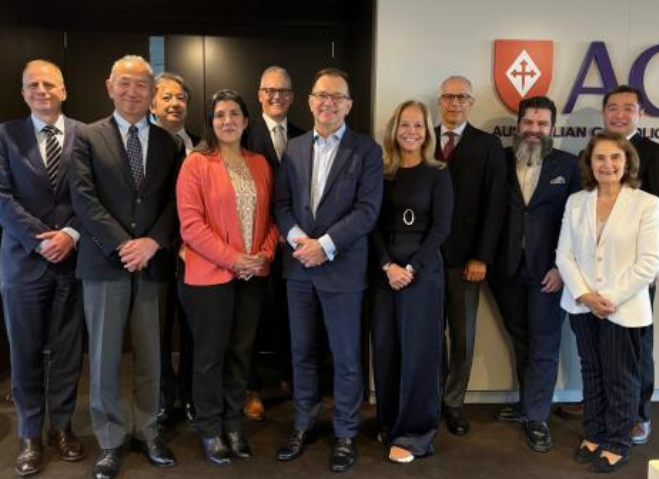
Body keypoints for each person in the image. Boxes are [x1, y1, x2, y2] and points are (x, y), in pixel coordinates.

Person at [71, 55, 180, 479]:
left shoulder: (168, 142)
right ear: (109, 86)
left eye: (142, 85)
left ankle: (148, 430)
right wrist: (123, 245)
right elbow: (83, 198)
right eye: (125, 83)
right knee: (102, 357)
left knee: (152, 355)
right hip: (104, 264)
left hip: (151, 264)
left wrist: (153, 242)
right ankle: (111, 440)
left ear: (152, 92)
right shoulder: (85, 136)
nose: (133, 91)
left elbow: (174, 202)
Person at [274, 67, 383, 473]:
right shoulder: (294, 148)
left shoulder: (367, 151)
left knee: (346, 356)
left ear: (349, 105)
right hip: (299, 267)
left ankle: (345, 433)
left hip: (342, 270)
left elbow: (367, 211)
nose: (328, 103)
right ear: (310, 100)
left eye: (337, 97)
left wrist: (326, 245)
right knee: (301, 353)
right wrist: (302, 241)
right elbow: (281, 205)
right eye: (322, 95)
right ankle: (303, 425)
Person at [177, 89, 279, 466]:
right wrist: (236, 259)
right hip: (209, 278)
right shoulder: (196, 163)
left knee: (241, 353)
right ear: (211, 121)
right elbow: (191, 227)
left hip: (253, 276)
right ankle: (209, 428)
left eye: (234, 113)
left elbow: (271, 220)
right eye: (220, 115)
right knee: (209, 357)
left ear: (246, 120)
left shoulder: (260, 163)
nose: (227, 121)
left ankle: (233, 424)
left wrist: (264, 254)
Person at [0, 59, 85, 476]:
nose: (41, 90)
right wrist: (42, 240)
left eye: (49, 83)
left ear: (64, 90)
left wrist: (70, 234)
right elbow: (1, 198)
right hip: (22, 262)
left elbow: (96, 198)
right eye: (32, 84)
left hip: (73, 260)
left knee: (68, 353)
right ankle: (30, 433)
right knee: (26, 352)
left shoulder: (87, 136)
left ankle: (63, 428)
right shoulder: (5, 135)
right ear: (23, 93)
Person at [556, 132, 659, 473]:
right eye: (600, 158)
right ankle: (596, 432)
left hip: (623, 308)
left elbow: (648, 263)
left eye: (615, 157)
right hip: (582, 305)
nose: (608, 164)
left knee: (621, 377)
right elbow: (564, 255)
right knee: (593, 372)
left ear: (627, 161)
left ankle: (618, 440)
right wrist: (585, 295)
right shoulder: (576, 202)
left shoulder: (647, 204)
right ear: (590, 162)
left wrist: (608, 299)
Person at [489, 96, 580, 452]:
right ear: (518, 125)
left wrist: (562, 267)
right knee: (522, 339)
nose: (534, 130)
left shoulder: (570, 166)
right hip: (505, 269)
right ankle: (529, 403)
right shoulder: (498, 160)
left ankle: (538, 417)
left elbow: (576, 224)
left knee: (544, 342)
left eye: (542, 124)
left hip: (549, 272)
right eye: (529, 123)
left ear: (552, 129)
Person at [370, 100, 453, 463]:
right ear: (394, 128)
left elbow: (440, 229)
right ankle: (389, 423)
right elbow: (370, 224)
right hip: (385, 273)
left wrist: (412, 268)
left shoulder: (439, 174)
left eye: (419, 126)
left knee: (420, 354)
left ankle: (415, 433)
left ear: (428, 132)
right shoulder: (380, 173)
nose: (411, 132)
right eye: (405, 124)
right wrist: (388, 265)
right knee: (387, 350)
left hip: (423, 274)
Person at [434, 75, 506, 436]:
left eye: (461, 97)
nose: (454, 103)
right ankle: (432, 397)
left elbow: (496, 207)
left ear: (471, 102)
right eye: (448, 97)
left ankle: (454, 402)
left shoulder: (488, 145)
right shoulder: (420, 137)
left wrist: (482, 256)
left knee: (462, 337)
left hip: (467, 261)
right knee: (431, 334)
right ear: (439, 100)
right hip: (427, 259)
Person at [244, 65, 304, 420]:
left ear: (293, 97)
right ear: (259, 94)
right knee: (252, 318)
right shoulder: (244, 135)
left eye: (283, 91)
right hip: (254, 244)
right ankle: (251, 388)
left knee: (289, 316)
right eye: (270, 90)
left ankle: (288, 376)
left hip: (294, 245)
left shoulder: (303, 136)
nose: (276, 96)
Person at [150, 71, 200, 427]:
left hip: (199, 258)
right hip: (157, 256)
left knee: (196, 331)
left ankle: (193, 397)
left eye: (180, 97)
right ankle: (165, 401)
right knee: (158, 333)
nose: (174, 103)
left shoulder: (202, 144)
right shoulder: (144, 145)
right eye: (165, 97)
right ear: (153, 104)